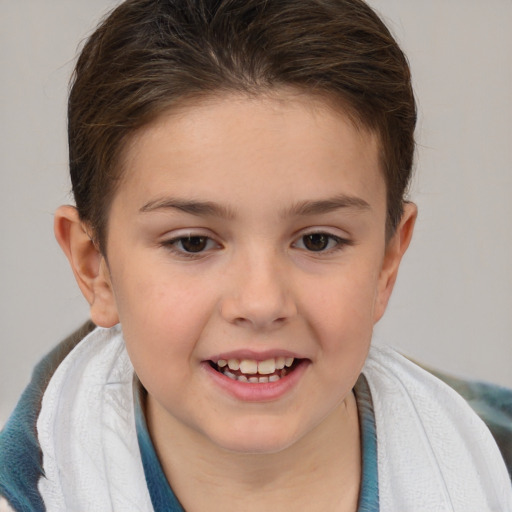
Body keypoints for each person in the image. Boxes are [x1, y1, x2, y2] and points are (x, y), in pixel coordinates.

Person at [0, 0, 511, 510]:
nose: (262, 302)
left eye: (317, 240)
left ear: (387, 260)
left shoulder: (494, 464)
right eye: (193, 242)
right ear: (96, 269)